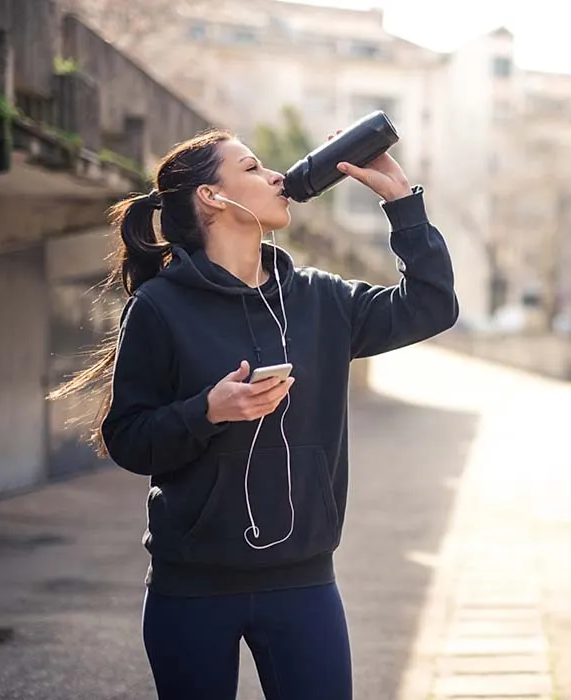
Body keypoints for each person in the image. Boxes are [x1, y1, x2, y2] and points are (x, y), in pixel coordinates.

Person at [49, 127, 459, 700]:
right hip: (190, 587)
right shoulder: (159, 307)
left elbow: (433, 306)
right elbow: (127, 438)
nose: (274, 176)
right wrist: (208, 411)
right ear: (213, 198)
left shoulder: (322, 298)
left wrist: (402, 205)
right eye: (252, 168)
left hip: (303, 581)